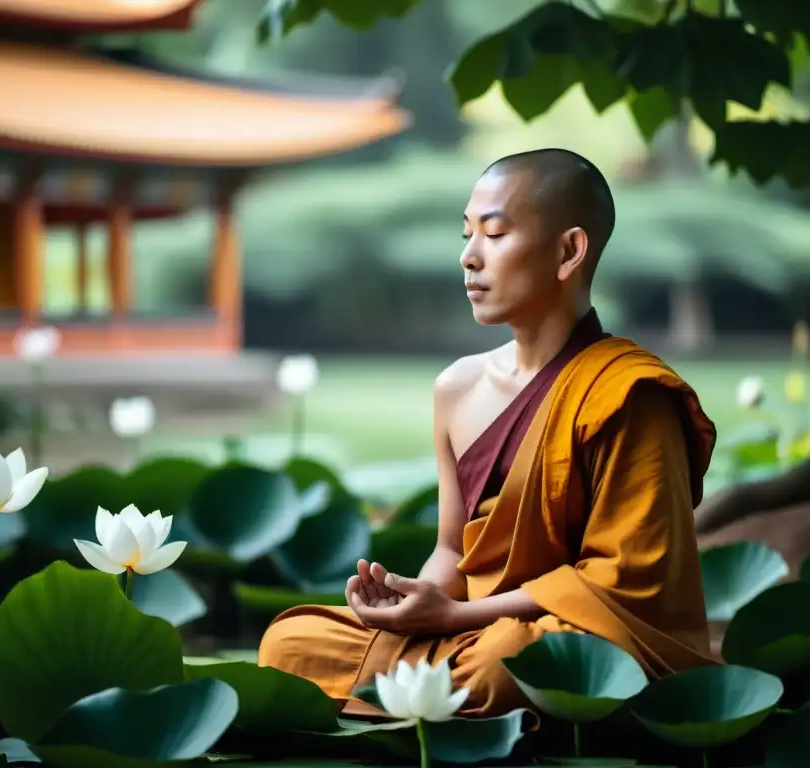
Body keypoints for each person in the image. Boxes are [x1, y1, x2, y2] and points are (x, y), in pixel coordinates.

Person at [258, 148, 718, 718]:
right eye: (466, 234)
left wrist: (456, 620)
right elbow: (452, 550)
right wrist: (414, 604)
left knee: (510, 663)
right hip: (471, 631)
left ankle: (420, 704)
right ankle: (435, 703)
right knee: (292, 643)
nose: (468, 258)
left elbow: (618, 584)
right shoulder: (458, 387)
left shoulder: (630, 394)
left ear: (569, 251)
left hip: (575, 635)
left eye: (495, 235)